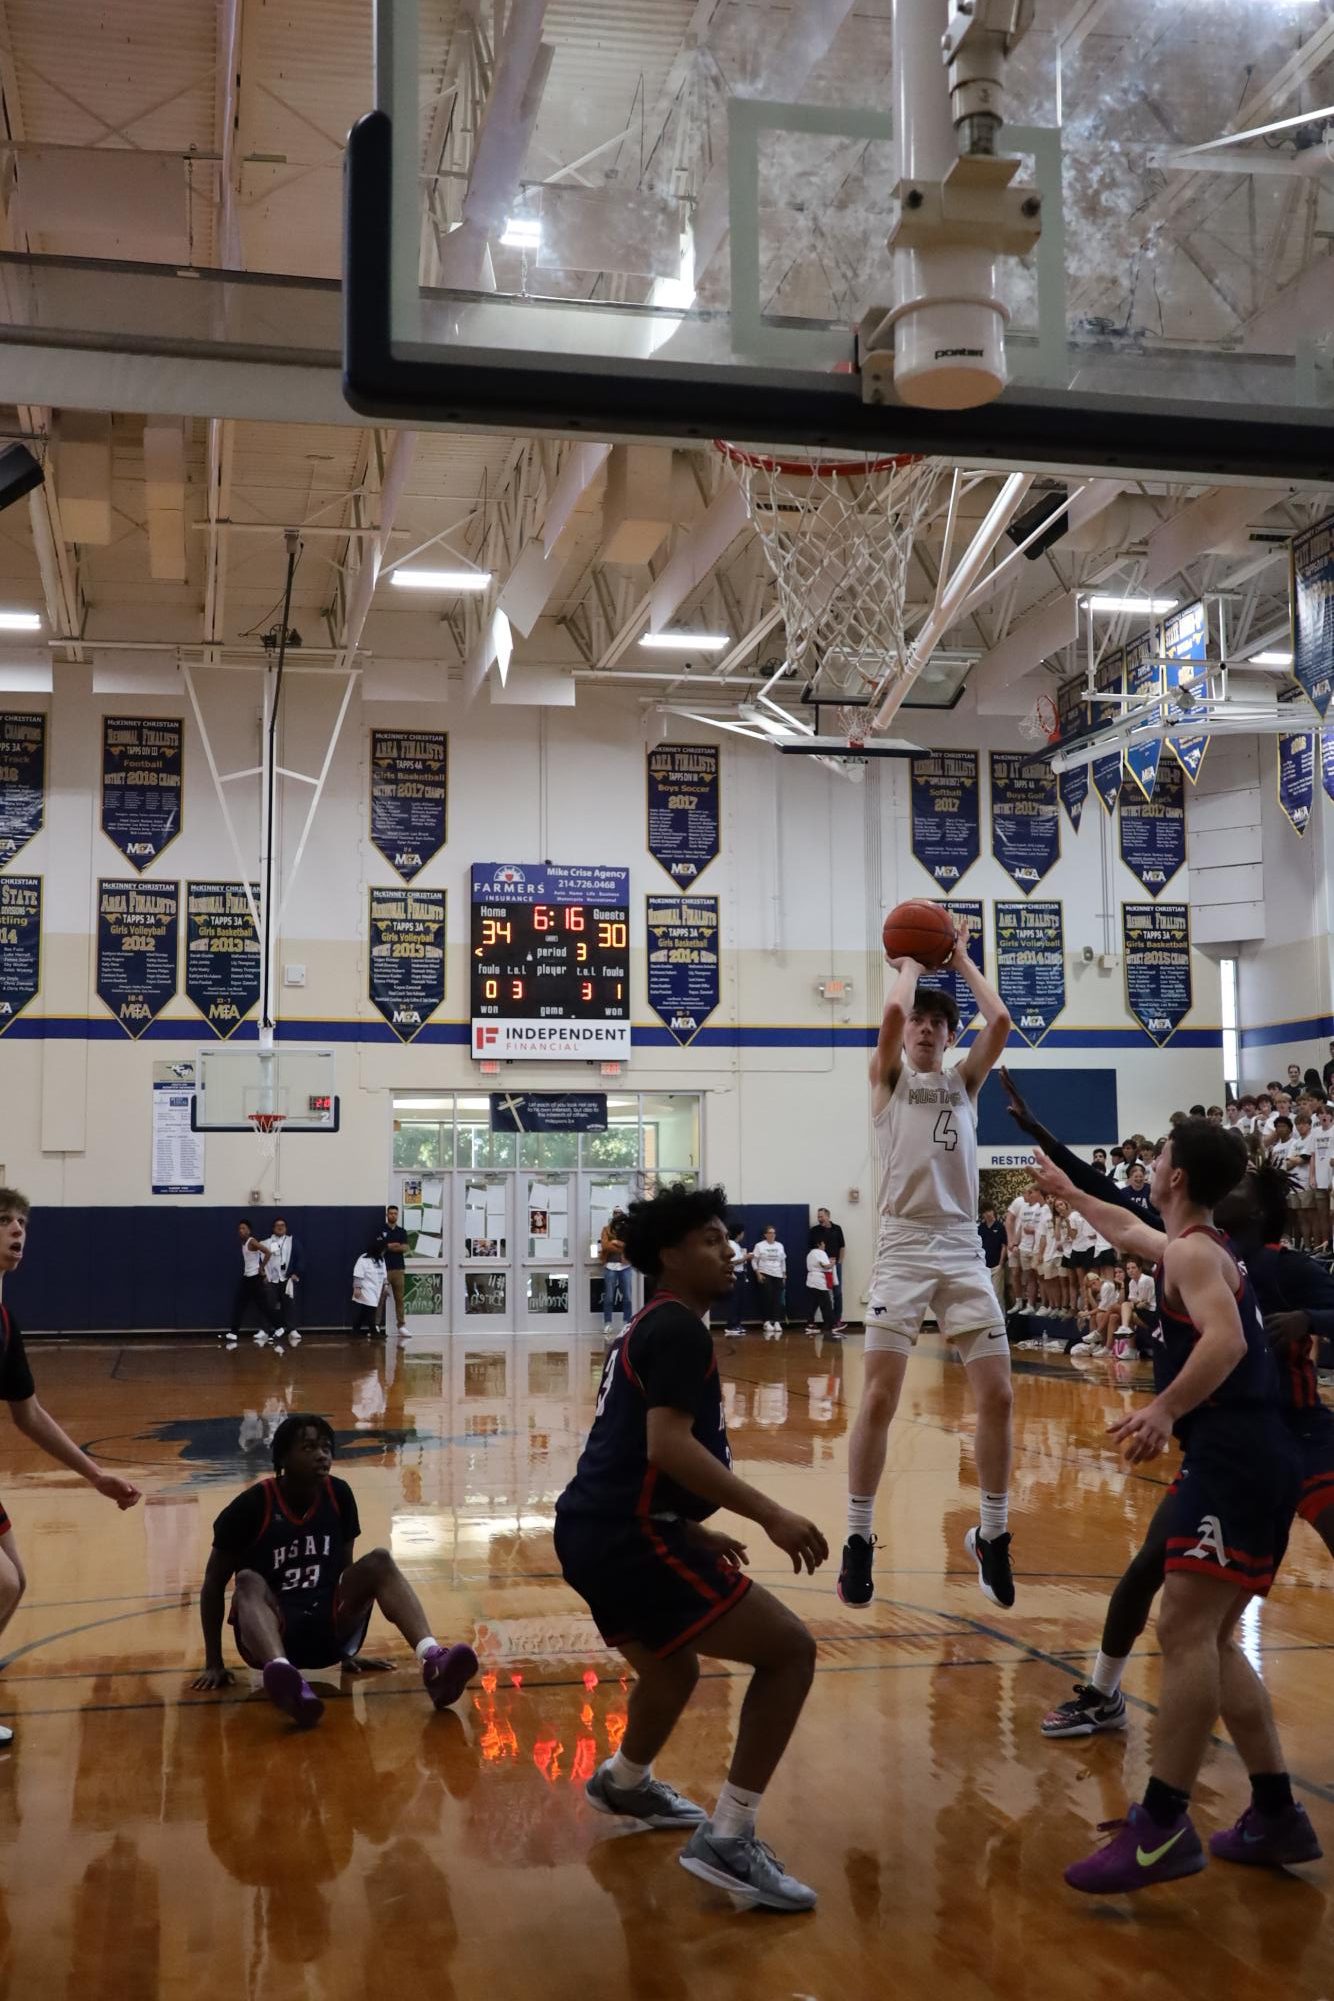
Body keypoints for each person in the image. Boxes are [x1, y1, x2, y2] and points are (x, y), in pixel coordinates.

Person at [1029, 1123, 1309, 1894]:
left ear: (1177, 1176)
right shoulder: (1195, 1244)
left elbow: (1219, 1343)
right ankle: (1278, 1810)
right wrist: (1071, 1192)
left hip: (1233, 1454)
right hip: (1249, 1456)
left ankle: (1160, 1827)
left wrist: (1162, 1409)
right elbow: (1125, 1227)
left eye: (1156, 1160)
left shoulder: (1191, 1253)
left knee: (1183, 1628)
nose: (1148, 1168)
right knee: (1213, 1637)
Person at [553, 1183, 828, 1912]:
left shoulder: (653, 1324)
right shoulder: (677, 1327)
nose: (728, 1249)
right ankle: (729, 1836)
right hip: (623, 1537)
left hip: (598, 1527)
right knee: (789, 1650)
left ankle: (624, 1780)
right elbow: (666, 1445)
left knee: (671, 1672)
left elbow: (628, 1453)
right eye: (710, 1238)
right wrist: (772, 1513)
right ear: (670, 1254)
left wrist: (686, 1524)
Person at [841, 914, 1014, 1613]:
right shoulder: (888, 1084)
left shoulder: (962, 1084)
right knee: (880, 1397)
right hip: (904, 1244)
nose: (920, 1029)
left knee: (999, 1396)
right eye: (916, 1022)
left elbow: (997, 1019)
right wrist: (910, 956)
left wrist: (962, 957)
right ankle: (858, 1538)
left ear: (947, 1038)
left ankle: (993, 1534)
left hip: (962, 1245)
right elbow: (888, 1009)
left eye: (934, 1025)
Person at [191, 1412, 477, 1726]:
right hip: (273, 1635)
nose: (322, 1455)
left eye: (326, 1447)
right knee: (246, 1580)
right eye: (309, 1447)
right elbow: (213, 1584)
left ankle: (433, 1658)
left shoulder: (339, 1495)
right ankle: (284, 1675)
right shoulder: (249, 1508)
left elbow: (344, 1574)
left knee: (380, 1560)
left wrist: (347, 1651)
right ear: (283, 1457)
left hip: (327, 1632)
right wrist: (213, 1662)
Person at [0, 1187, 142, 1746]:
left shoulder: (5, 1323)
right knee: (3, 1580)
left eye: (22, 1222)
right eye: (5, 1221)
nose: (17, 1231)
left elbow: (28, 1414)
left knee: (15, 1581)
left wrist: (94, 1475)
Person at [230, 1217, 281, 1343]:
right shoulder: (243, 1243)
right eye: (239, 1228)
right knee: (240, 1305)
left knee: (263, 1306)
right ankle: (233, 1332)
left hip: (254, 1279)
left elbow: (267, 1252)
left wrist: (261, 1268)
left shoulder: (252, 1241)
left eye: (243, 1228)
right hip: (247, 1278)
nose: (240, 1231)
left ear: (249, 1231)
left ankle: (279, 1327)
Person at [263, 1216, 303, 1344]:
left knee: (289, 1304)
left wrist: (296, 1273)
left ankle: (292, 1329)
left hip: (287, 1278)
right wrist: (263, 1273)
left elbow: (300, 1258)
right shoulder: (266, 1242)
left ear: (286, 1228)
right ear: (273, 1228)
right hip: (272, 1279)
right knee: (268, 1304)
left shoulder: (293, 1242)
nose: (280, 1227)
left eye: (282, 1225)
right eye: (277, 1225)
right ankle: (265, 1329)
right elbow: (259, 1258)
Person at [810, 1208, 847, 1332]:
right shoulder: (814, 1231)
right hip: (822, 1268)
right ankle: (811, 1321)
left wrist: (839, 1262)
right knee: (820, 1294)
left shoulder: (837, 1229)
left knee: (837, 1292)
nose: (819, 1219)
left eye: (821, 1216)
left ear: (828, 1216)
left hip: (835, 1265)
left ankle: (837, 1320)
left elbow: (842, 1246)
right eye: (818, 1217)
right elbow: (813, 1250)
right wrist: (823, 1263)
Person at [600, 1210, 633, 1340]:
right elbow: (605, 1246)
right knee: (608, 1297)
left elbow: (630, 1246)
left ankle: (627, 1323)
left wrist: (616, 1243)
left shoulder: (628, 1230)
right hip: (610, 1266)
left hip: (625, 1266)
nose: (617, 1216)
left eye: (620, 1214)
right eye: (615, 1214)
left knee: (628, 1297)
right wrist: (620, 1246)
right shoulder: (606, 1229)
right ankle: (607, 1323)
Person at [379, 1204, 410, 1338]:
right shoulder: (381, 1230)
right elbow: (379, 1248)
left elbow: (405, 1248)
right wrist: (390, 1246)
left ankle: (401, 1326)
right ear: (387, 1215)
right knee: (380, 1299)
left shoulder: (402, 1231)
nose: (393, 1215)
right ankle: (376, 1325)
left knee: (399, 1299)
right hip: (383, 1270)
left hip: (398, 1269)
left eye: (395, 1213)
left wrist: (389, 1246)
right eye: (391, 1213)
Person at [751, 1226, 787, 1339]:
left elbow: (783, 1261)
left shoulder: (780, 1245)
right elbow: (754, 1260)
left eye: (774, 1233)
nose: (772, 1235)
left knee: (777, 1298)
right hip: (765, 1273)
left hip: (778, 1274)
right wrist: (758, 1273)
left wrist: (784, 1274)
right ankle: (766, 1322)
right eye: (770, 1233)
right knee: (767, 1297)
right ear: (765, 1234)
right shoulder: (759, 1245)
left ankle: (776, 1321)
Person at [351, 1235, 387, 1336]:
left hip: (376, 1289)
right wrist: (357, 1288)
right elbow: (358, 1274)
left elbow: (384, 1275)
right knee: (371, 1311)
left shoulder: (381, 1260)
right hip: (366, 1289)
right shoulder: (363, 1258)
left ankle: (355, 1330)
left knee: (363, 1311)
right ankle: (373, 1331)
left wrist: (386, 1286)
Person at [978, 1204, 1007, 1312]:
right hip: (983, 1266)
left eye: (989, 1210)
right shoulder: (981, 1228)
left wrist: (1001, 1263)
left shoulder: (1000, 1227)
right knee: (985, 1294)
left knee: (997, 1294)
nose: (988, 1214)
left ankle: (1002, 1318)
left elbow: (1004, 1246)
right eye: (985, 1212)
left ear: (993, 1211)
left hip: (996, 1266)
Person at [805, 1241, 836, 1335]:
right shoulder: (820, 1252)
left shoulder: (810, 1254)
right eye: (823, 1244)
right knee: (826, 1303)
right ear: (818, 1244)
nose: (824, 1245)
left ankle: (810, 1324)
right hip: (819, 1282)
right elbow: (825, 1266)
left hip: (811, 1281)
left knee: (813, 1304)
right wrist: (832, 1263)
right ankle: (829, 1325)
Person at [723, 1227, 749, 1337]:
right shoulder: (731, 1244)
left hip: (740, 1273)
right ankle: (731, 1325)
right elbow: (731, 1261)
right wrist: (745, 1258)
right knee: (734, 1300)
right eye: (742, 1232)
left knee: (739, 1300)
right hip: (734, 1274)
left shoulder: (736, 1245)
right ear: (739, 1234)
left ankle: (737, 1324)